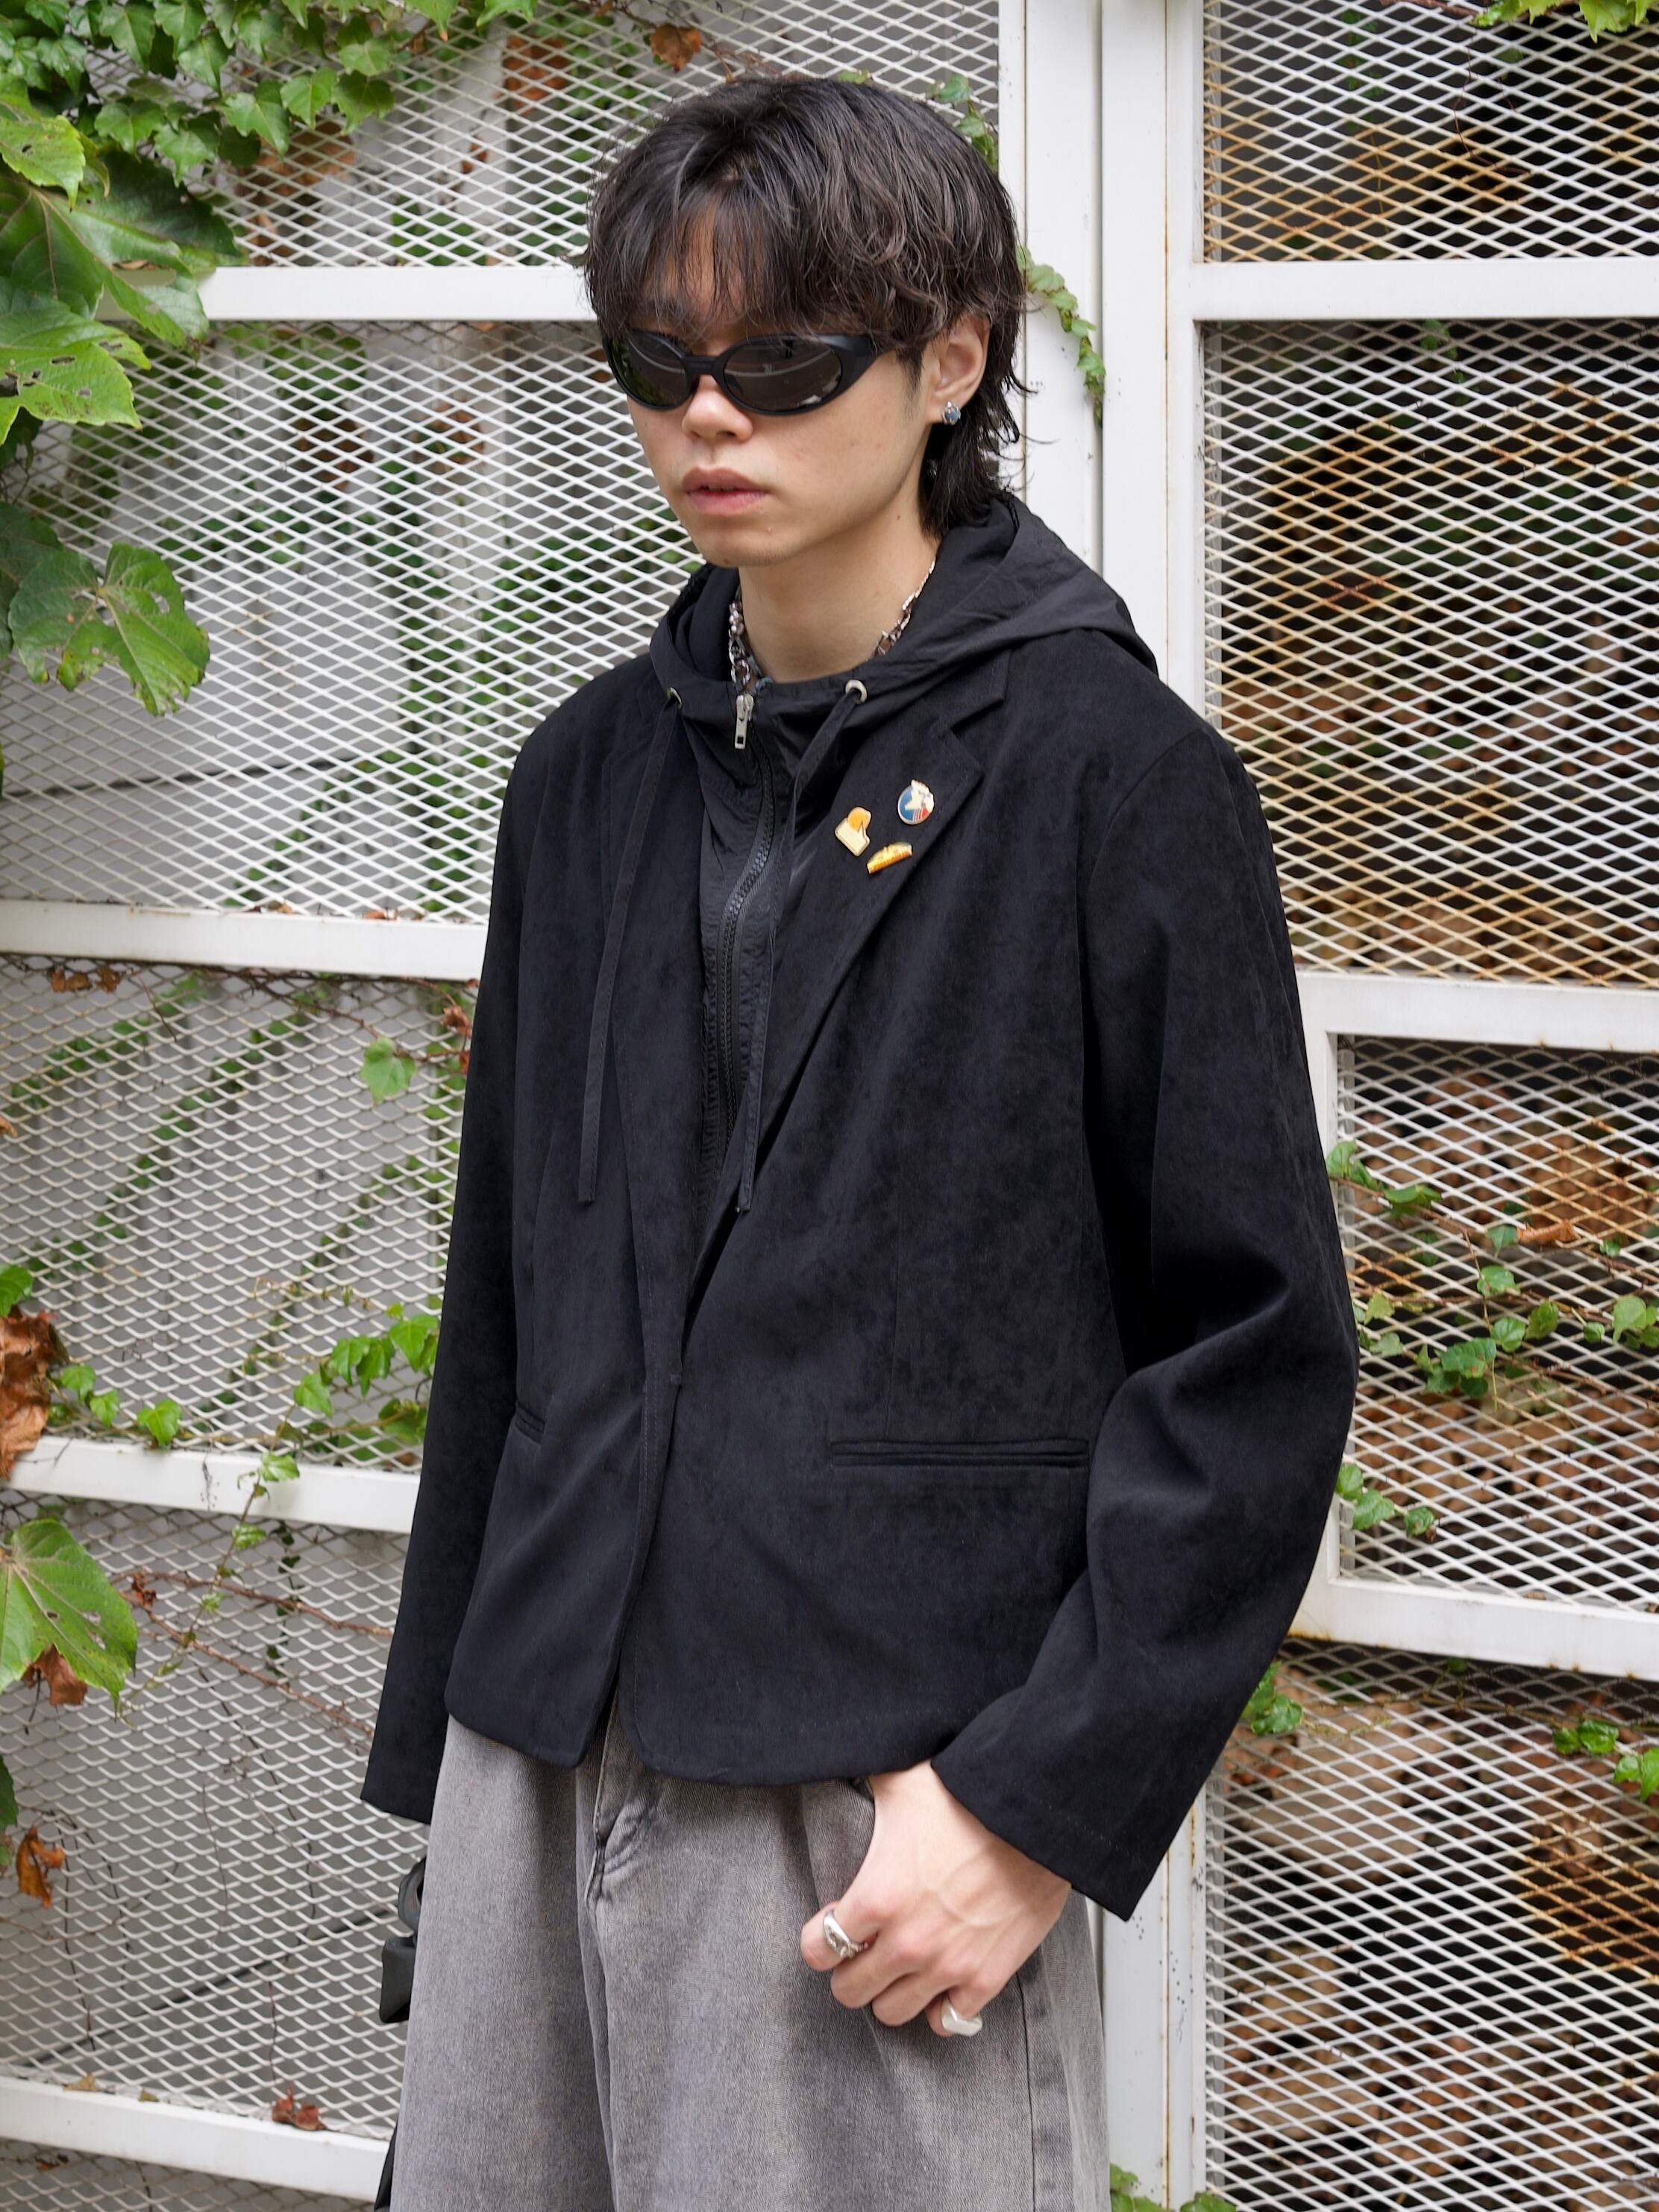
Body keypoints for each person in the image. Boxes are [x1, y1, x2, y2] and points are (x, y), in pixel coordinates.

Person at [361, 68, 1359, 2212]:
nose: (711, 417)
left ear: (952, 360)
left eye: (788, 362)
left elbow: (1256, 1350)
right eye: (660, 362)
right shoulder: (582, 780)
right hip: (544, 1741)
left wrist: (1032, 1807)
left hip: (880, 1794)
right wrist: (450, 1757)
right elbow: (507, 1309)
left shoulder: (1116, 780)